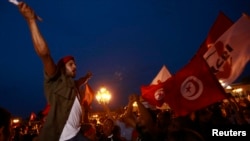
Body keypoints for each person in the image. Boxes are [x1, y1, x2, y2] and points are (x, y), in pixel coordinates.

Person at [17, 2, 92, 141]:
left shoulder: (73, 85)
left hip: (77, 134)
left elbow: (80, 81)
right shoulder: (56, 80)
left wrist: (87, 77)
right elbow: (45, 55)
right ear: (62, 68)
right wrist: (31, 21)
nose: (75, 66)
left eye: (75, 64)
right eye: (71, 64)